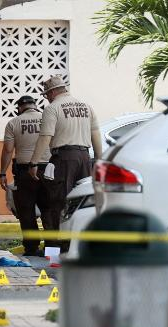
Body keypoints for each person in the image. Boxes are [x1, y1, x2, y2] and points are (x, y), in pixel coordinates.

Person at [27, 75, 103, 250]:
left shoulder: (52, 108)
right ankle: (82, 244)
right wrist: (98, 160)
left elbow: (46, 137)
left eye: (46, 94)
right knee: (84, 201)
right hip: (85, 158)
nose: (46, 97)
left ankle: (62, 246)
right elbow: (96, 134)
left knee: (58, 201)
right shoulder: (86, 107)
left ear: (52, 92)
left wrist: (34, 163)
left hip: (63, 159)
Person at [0, 95, 51, 256]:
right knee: (49, 209)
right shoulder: (47, 119)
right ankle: (52, 247)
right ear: (35, 106)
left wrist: (2, 173)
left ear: (20, 107)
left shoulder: (13, 123)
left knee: (26, 211)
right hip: (48, 170)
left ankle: (31, 247)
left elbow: (8, 150)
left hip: (25, 172)